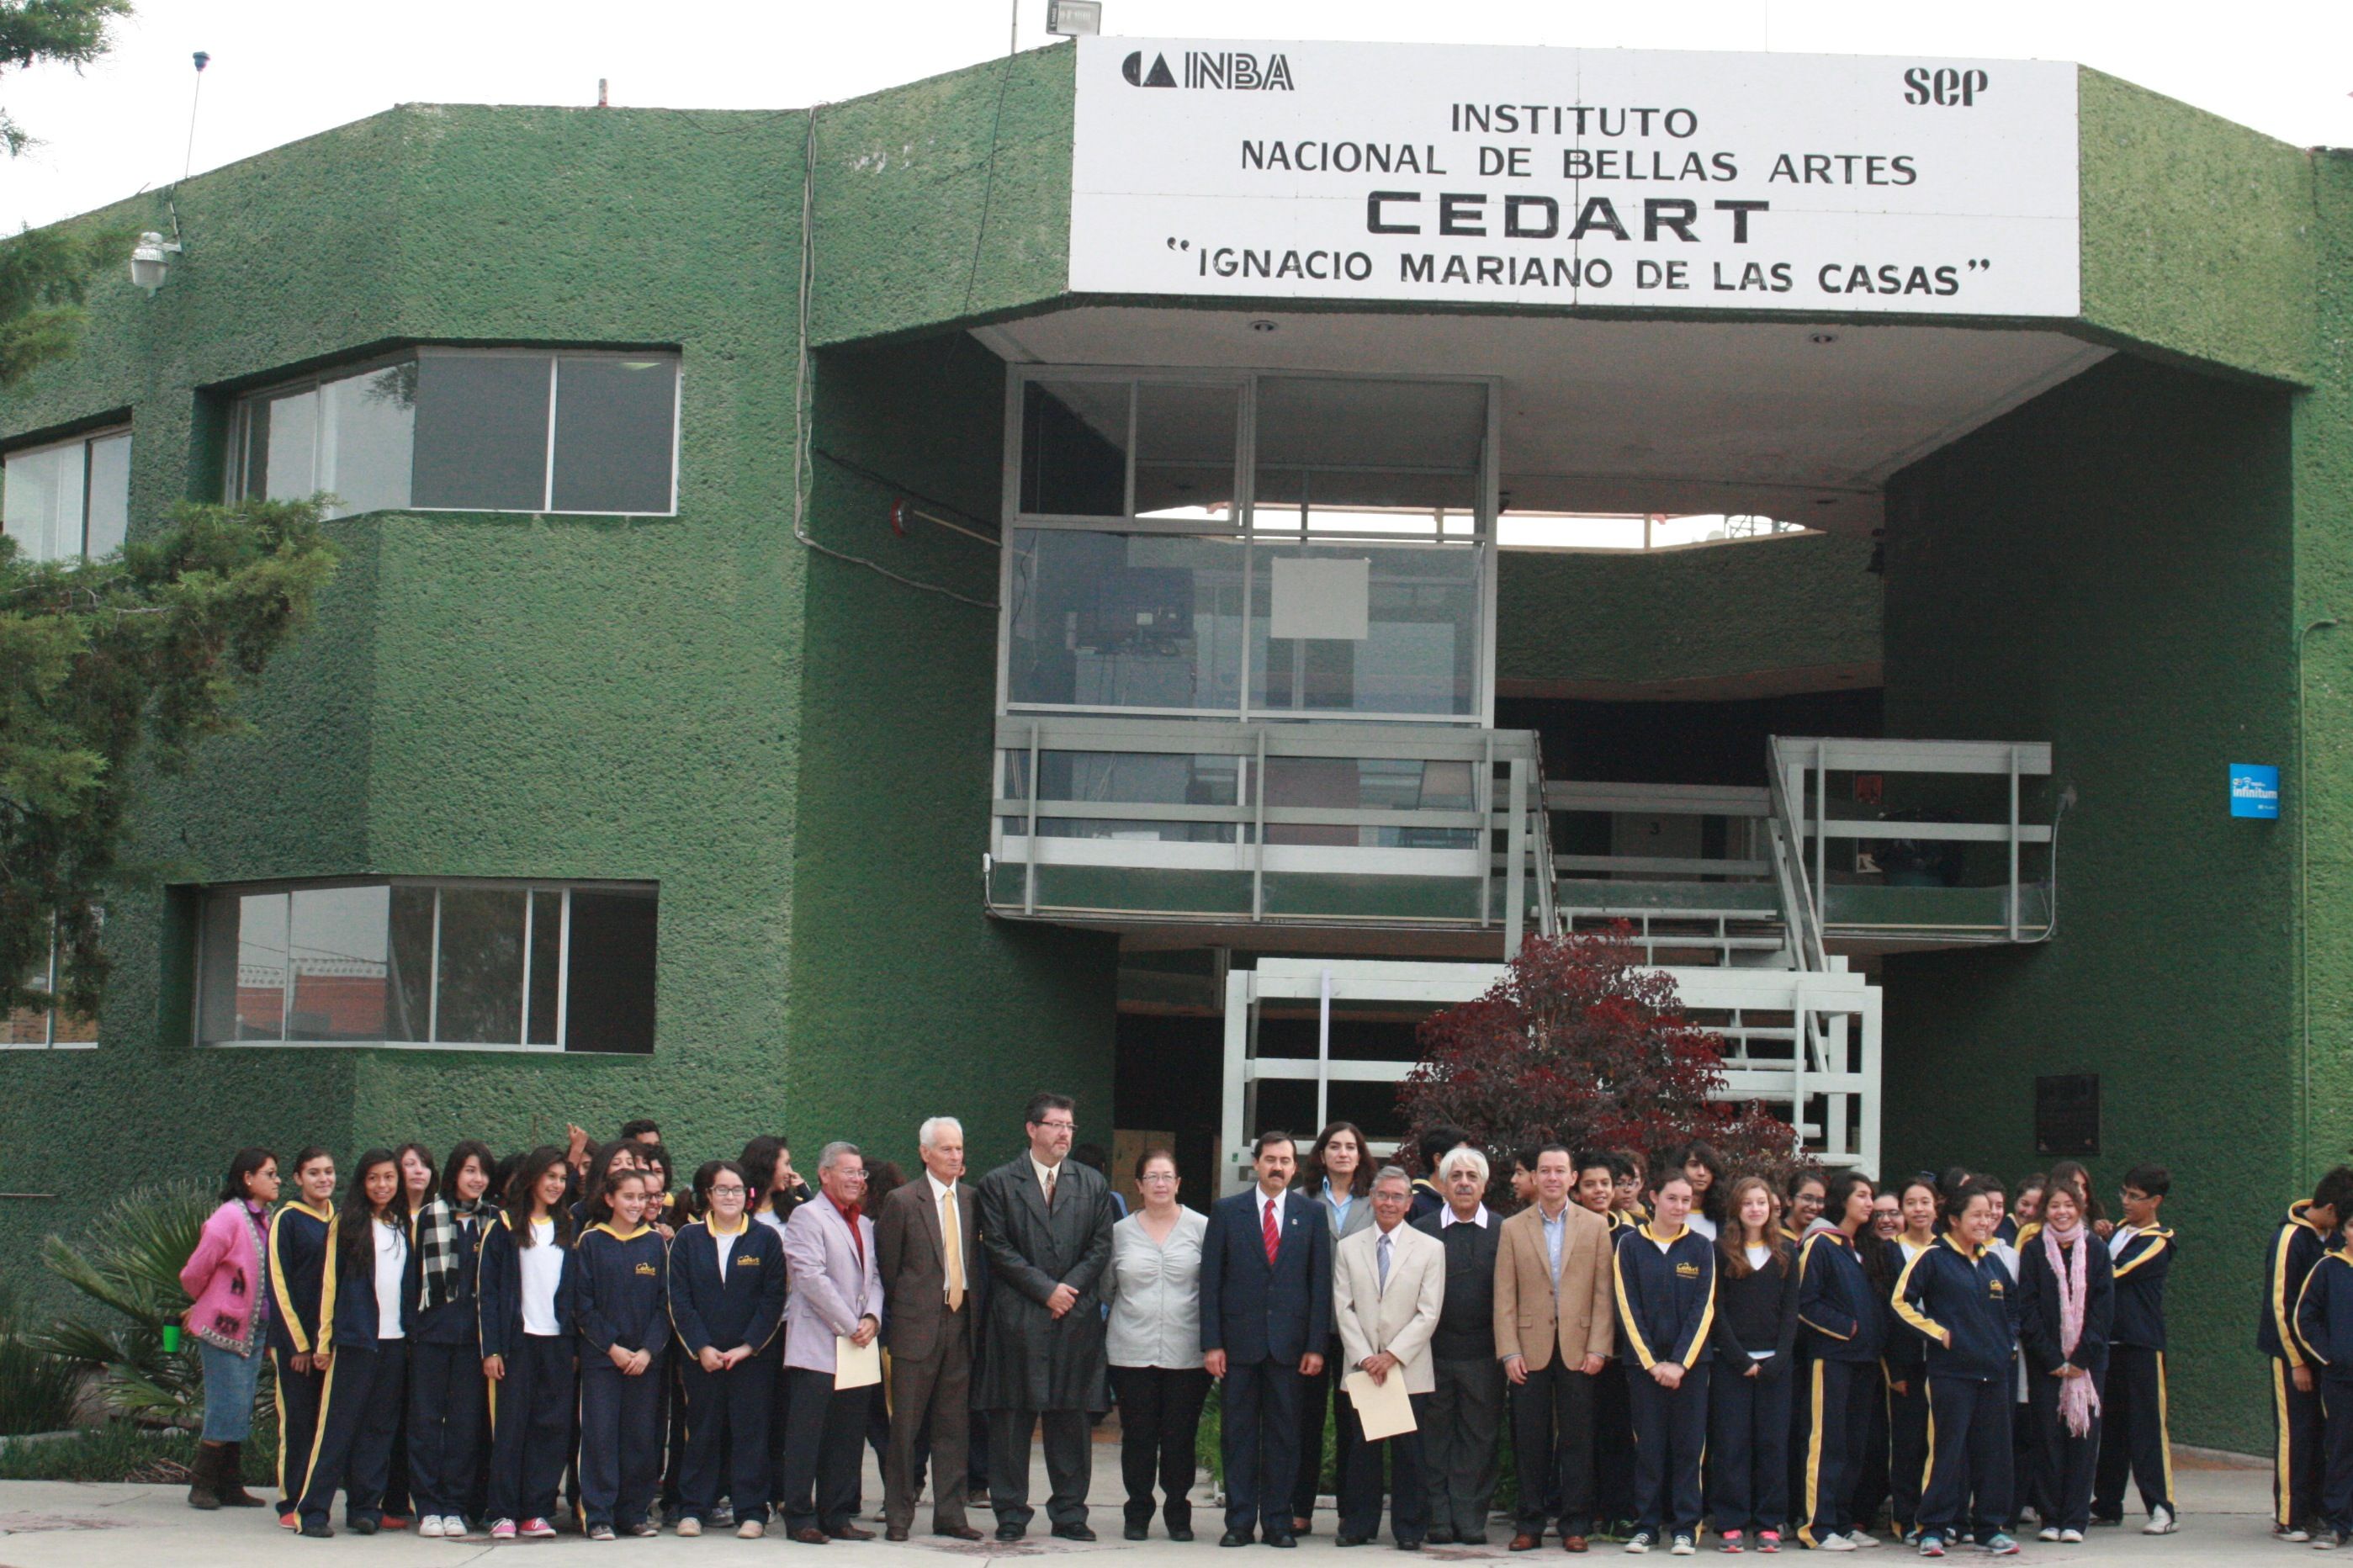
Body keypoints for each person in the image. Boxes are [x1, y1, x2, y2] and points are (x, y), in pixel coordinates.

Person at [975, 1093, 1118, 1543]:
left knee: (1071, 1418)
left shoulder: (1092, 1183)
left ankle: (1070, 1512)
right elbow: (997, 1248)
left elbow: (1100, 1246)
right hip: (1018, 1315)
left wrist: (1067, 1292)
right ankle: (1011, 1512)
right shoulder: (999, 1183)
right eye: (1055, 1125)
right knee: (1012, 1417)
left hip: (1073, 1317)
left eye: (1070, 1126)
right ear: (1032, 1129)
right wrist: (1045, 1290)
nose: (1064, 1134)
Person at [1203, 1128, 1333, 1548]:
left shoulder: (1310, 1215)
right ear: (1256, 1163)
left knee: (1284, 1436)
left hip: (1291, 1349)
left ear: (1296, 1168)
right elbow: (1211, 1282)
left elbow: (1320, 1285)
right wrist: (1213, 1342)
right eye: (1271, 1159)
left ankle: (1278, 1521)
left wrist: (1316, 1345)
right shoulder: (1227, 1212)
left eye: (1286, 1161)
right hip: (1238, 1347)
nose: (1278, 1167)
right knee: (1238, 1436)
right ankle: (1239, 1522)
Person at [1893, 1179, 2022, 1558]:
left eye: (1989, 1215)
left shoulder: (1993, 1261)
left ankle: (1989, 1528)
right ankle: (1932, 1527)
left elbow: (2014, 1309)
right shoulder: (1931, 1258)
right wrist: (1940, 1335)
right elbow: (1901, 1302)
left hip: (1994, 1372)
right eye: (1976, 1215)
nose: (1985, 1221)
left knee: (1994, 1453)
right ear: (1953, 1219)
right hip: (1950, 1374)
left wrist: (2007, 1341)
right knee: (1947, 1451)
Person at [1495, 1143, 1614, 1554]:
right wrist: (1509, 1351)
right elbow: (1504, 1296)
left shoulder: (1596, 1226)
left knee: (1578, 1439)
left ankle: (1574, 1523)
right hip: (1529, 1348)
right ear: (1534, 1178)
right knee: (1530, 1438)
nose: (1551, 1178)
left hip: (1580, 1348)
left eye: (1559, 1171)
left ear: (1572, 1178)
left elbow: (1603, 1293)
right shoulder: (1512, 1228)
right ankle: (1528, 1523)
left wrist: (1600, 1346)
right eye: (1544, 1171)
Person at [877, 1116, 987, 1542]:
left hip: (961, 1324)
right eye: (946, 1149)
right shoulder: (902, 1201)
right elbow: (889, 1269)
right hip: (915, 1326)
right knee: (905, 1427)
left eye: (959, 1148)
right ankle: (899, 1515)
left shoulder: (974, 1200)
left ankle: (951, 1515)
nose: (956, 1156)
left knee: (953, 1426)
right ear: (925, 1153)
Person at [294, 1150, 410, 1539]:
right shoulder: (346, 1224)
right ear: (363, 1182)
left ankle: (364, 1507)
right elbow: (330, 1284)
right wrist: (323, 1342)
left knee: (379, 1429)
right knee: (338, 1428)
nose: (382, 1185)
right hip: (355, 1341)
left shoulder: (402, 1223)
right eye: (374, 1178)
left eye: (389, 1178)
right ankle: (311, 1511)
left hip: (395, 1341)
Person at [669, 1157, 786, 1539]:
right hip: (702, 1360)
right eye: (722, 1189)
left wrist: (748, 1346)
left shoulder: (765, 1239)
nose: (730, 1196)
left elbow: (773, 1299)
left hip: (751, 1359)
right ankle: (694, 1510)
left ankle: (751, 1510)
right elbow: (679, 1299)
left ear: (748, 1195)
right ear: (708, 1195)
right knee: (701, 1431)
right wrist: (701, 1347)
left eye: (737, 1190)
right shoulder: (688, 1239)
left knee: (751, 1433)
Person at [776, 1141, 885, 1545]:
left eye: (861, 1173)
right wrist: (849, 1322)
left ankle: (837, 1514)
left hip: (857, 1344)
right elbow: (810, 1277)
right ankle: (801, 1516)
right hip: (819, 1343)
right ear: (824, 1175)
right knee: (808, 1434)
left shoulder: (866, 1224)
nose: (858, 1179)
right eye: (849, 1172)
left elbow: (874, 1277)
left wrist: (872, 1318)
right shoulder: (808, 1216)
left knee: (847, 1434)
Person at [1333, 1165, 1446, 1549]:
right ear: (1372, 1199)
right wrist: (1366, 1357)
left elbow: (1429, 1312)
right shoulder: (1349, 1247)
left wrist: (1393, 1355)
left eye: (1398, 1197)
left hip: (1408, 1366)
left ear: (1409, 1203)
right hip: (1364, 1367)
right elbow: (1343, 1308)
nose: (1389, 1203)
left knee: (1409, 1453)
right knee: (1362, 1450)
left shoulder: (1430, 1248)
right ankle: (1357, 1525)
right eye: (1382, 1195)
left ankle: (1410, 1529)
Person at [1105, 1147, 1211, 1542]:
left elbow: (1212, 1287)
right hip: (1130, 1351)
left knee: (1180, 1435)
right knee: (1138, 1435)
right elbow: (1106, 1288)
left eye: (1168, 1176)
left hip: (1187, 1354)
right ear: (1138, 1185)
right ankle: (1137, 1511)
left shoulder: (1202, 1228)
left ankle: (1178, 1512)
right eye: (1152, 1177)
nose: (1161, 1184)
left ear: (1179, 1183)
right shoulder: (1120, 1233)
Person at [478, 1147, 578, 1542]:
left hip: (557, 1342)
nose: (556, 1185)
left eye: (562, 1178)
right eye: (550, 1176)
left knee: (550, 1428)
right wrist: (491, 1348)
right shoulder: (503, 1226)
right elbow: (488, 1292)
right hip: (516, 1341)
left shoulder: (569, 1224)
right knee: (511, 1428)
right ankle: (502, 1511)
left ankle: (537, 1511)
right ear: (533, 1178)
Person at [1614, 1170, 1715, 1555]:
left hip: (1690, 1368)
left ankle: (1686, 1527)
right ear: (1654, 1198)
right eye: (1673, 1199)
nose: (1680, 1207)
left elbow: (1702, 1310)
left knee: (1689, 1448)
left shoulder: (1701, 1248)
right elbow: (1627, 1307)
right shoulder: (1629, 1245)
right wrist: (1652, 1363)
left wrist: (1679, 1363)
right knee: (1649, 1448)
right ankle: (1646, 1526)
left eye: (1687, 1201)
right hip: (1643, 1368)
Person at [403, 1139, 493, 1540]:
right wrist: (414, 1331)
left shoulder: (494, 1220)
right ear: (455, 1172)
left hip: (474, 1340)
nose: (478, 1179)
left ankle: (455, 1505)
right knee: (425, 1422)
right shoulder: (428, 1216)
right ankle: (427, 1505)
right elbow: (410, 1279)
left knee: (464, 1425)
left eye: (483, 1172)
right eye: (470, 1170)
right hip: (431, 1334)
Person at [1413, 1147, 1503, 1545]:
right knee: (1434, 1439)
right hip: (1432, 1354)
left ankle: (1469, 1519)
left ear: (1484, 1185)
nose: (1464, 1183)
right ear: (1444, 1184)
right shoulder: (1424, 1229)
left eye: (1472, 1176)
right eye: (1456, 1176)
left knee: (1478, 1440)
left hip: (1485, 1355)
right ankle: (1438, 1518)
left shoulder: (1504, 1231)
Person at [573, 1165, 669, 1539]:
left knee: (640, 1437)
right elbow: (583, 1305)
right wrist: (613, 1347)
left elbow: (665, 1305)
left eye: (642, 1197)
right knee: (599, 1435)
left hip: (645, 1362)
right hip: (603, 1359)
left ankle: (633, 1512)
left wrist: (646, 1351)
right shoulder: (592, 1242)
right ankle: (598, 1515)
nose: (636, 1204)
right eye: (628, 1197)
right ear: (609, 1199)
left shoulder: (654, 1243)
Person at [2016, 1179, 2113, 1544]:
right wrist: (2053, 1357)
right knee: (2047, 1439)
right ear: (2046, 1211)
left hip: (2088, 1365)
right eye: (2054, 1206)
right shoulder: (2033, 1251)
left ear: (2081, 1208)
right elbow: (2027, 1310)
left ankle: (2074, 1519)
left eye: (2068, 1206)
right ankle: (2050, 1517)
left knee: (2082, 1439)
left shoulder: (2097, 1250)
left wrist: (2081, 1359)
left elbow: (2103, 1310)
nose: (2062, 1212)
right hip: (2047, 1364)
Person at [182, 1147, 278, 1512]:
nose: (277, 1180)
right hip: (224, 1327)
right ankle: (202, 1483)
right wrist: (208, 1300)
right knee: (227, 1404)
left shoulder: (264, 1219)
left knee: (241, 1404)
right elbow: (195, 1270)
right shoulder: (229, 1217)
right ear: (248, 1178)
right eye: (270, 1173)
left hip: (252, 1329)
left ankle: (230, 1483)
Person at [1794, 1169, 1883, 1553]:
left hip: (1863, 1361)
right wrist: (1848, 1329)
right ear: (1843, 1199)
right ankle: (1818, 1526)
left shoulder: (1857, 1247)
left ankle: (1843, 1522)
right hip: (1831, 1360)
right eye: (1861, 1195)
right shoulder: (1819, 1243)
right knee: (1826, 1443)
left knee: (1852, 1445)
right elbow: (1804, 1302)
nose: (1870, 1203)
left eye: (1871, 1196)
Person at [1709, 1176, 1798, 1554]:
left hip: (1776, 1366)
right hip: (1734, 1365)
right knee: (1732, 1445)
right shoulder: (1720, 1251)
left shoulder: (1786, 1252)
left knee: (1772, 1445)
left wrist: (1780, 1357)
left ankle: (1768, 1523)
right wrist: (1739, 1358)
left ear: (1772, 1208)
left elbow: (1792, 1311)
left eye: (1762, 1202)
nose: (1755, 1209)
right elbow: (1717, 1310)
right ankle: (1731, 1522)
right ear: (1736, 1209)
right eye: (1748, 1203)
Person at [1296, 1120, 1376, 1535]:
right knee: (1305, 1421)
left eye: (1351, 1147)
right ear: (1322, 1155)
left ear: (1361, 1155)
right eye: (1335, 1146)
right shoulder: (1300, 1200)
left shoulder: (1375, 1202)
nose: (1343, 1153)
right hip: (1310, 1329)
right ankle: (1299, 1508)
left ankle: (1352, 1511)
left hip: (1360, 1332)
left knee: (1354, 1422)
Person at [2266, 1168, 2353, 1542]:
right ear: (2333, 1210)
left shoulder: (2327, 1239)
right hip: (2293, 1356)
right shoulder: (2290, 1238)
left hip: (2323, 1361)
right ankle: (2291, 1516)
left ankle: (2319, 1509)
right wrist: (2299, 1360)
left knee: (2322, 1435)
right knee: (2296, 1433)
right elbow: (2282, 1305)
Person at [2093, 1163, 2179, 1534]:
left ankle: (2162, 1508)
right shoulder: (2120, 1231)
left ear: (2155, 1201)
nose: (2126, 1202)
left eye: (2134, 1197)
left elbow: (2111, 1274)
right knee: (2110, 1428)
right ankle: (2108, 1503)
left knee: (2147, 1428)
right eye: (2123, 1193)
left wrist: (2092, 1249)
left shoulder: (2158, 1242)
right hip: (2109, 1345)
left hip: (2142, 1346)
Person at [268, 1146, 337, 1528]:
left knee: (327, 1425)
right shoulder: (288, 1220)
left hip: (331, 1344)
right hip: (297, 1345)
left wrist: (326, 1343)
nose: (323, 1179)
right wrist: (299, 1344)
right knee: (298, 1422)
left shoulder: (342, 1220)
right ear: (297, 1179)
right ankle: (290, 1500)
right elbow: (278, 1284)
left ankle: (316, 1497)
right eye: (314, 1173)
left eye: (328, 1171)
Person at [1578, 1152, 1636, 1540]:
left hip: (1619, 1353)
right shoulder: (1568, 1229)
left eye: (1604, 1184)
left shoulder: (1632, 1234)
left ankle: (1618, 1513)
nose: (1599, 1191)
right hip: (1574, 1349)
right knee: (1578, 1436)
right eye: (1589, 1184)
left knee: (1617, 1435)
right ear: (1576, 1189)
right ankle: (1579, 1514)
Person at [1882, 1176, 1943, 1543]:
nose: (1918, 1209)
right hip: (1905, 1364)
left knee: (1943, 1444)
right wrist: (1895, 1368)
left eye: (1925, 1202)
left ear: (1937, 1207)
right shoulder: (1890, 1251)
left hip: (1944, 1364)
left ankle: (1940, 1517)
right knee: (1907, 1443)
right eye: (1911, 1203)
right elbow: (1886, 1314)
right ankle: (1906, 1520)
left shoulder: (1947, 1249)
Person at [2295, 1205, 2353, 1550]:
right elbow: (2306, 1317)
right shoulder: (2327, 1269)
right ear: (2343, 1229)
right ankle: (2337, 1523)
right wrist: (2331, 1356)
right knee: (2342, 1448)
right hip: (2341, 1378)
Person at [1410, 1126, 1470, 1221]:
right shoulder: (1412, 1203)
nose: (1468, 1161)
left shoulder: (1467, 1199)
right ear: (1438, 1159)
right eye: (1460, 1156)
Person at [1679, 1142, 1728, 1241]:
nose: (1701, 1173)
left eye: (1707, 1167)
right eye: (1694, 1165)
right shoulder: (1666, 1214)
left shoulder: (1724, 1219)